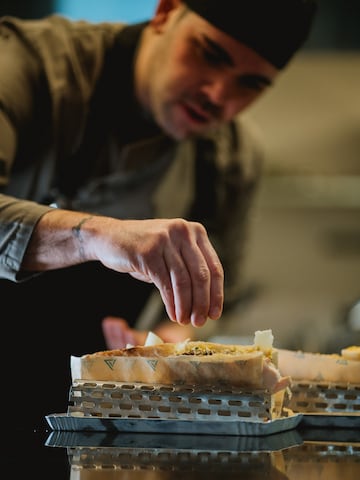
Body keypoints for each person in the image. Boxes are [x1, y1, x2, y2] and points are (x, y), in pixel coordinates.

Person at [0, 0, 317, 429]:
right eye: (210, 53)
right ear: (166, 12)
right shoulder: (29, 66)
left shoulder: (230, 159)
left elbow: (206, 306)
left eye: (250, 84)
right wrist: (94, 236)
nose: (218, 95)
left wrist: (169, 345)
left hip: (97, 420)